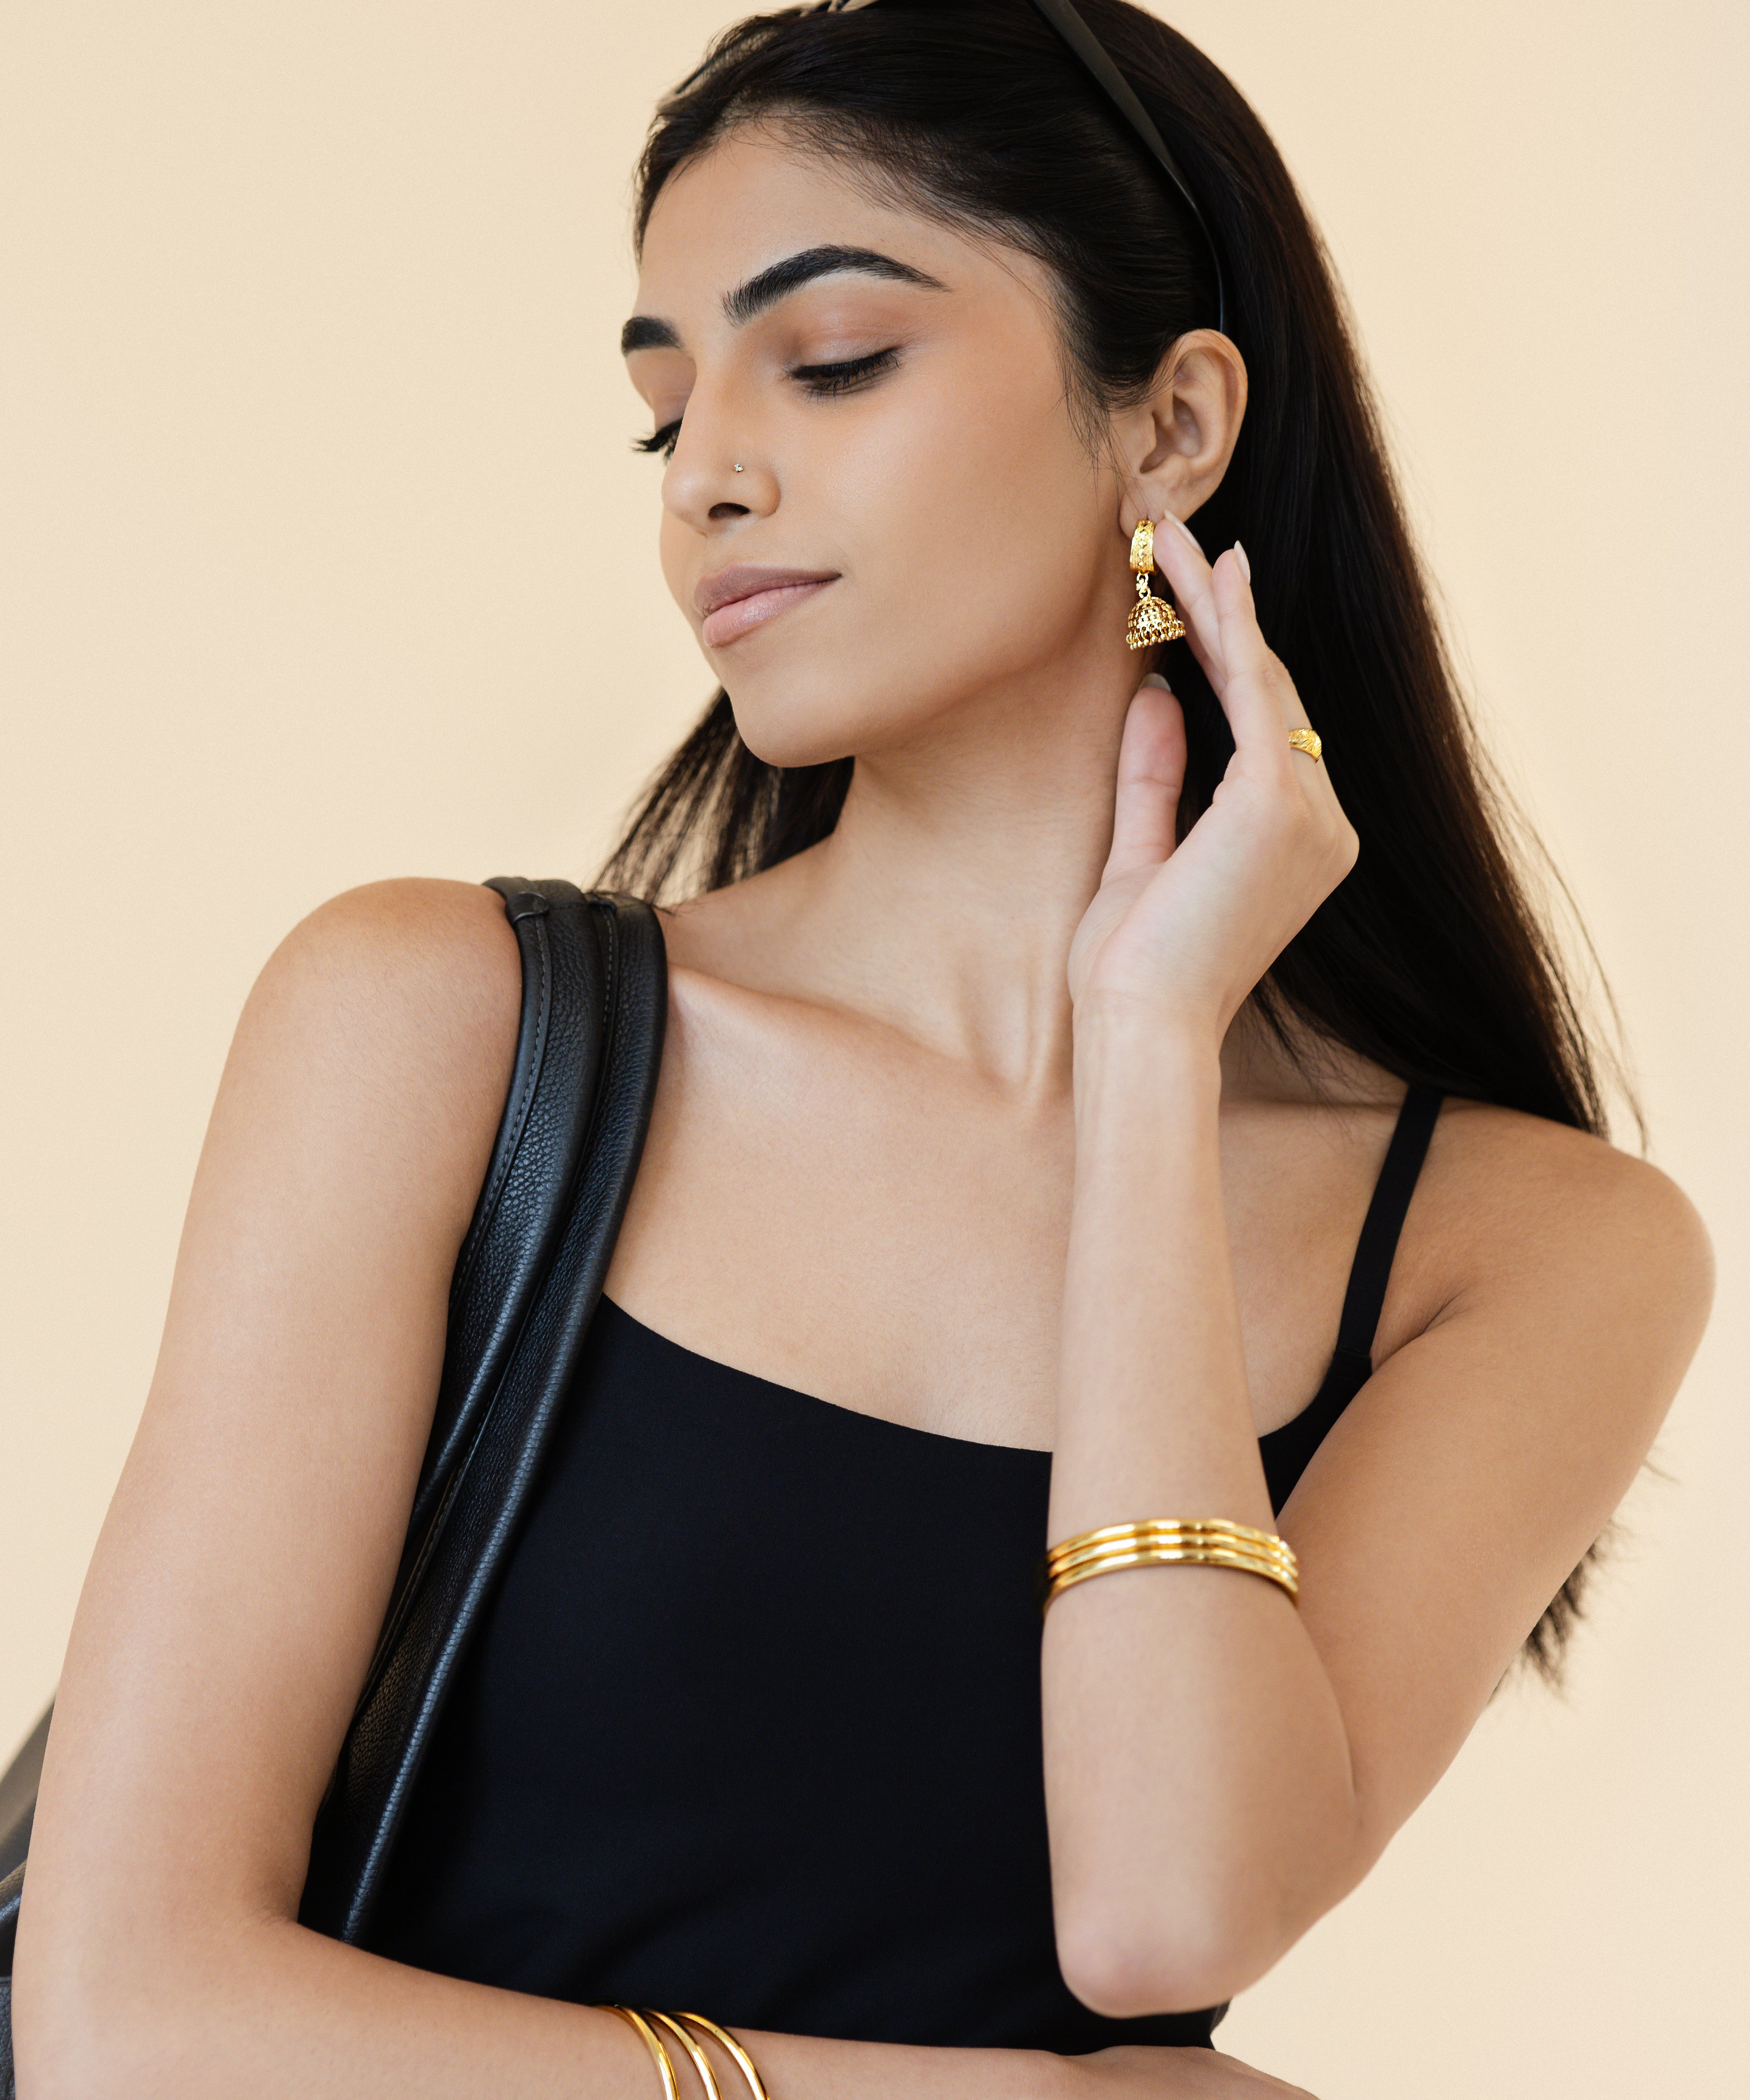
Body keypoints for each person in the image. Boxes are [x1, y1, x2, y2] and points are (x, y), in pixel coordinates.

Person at [12, 3, 1712, 2095]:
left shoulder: (1527, 1248)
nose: (710, 474)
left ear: (1171, 426)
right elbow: (125, 2024)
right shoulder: (436, 1027)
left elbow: (1166, 1908)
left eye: (829, 361)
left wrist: (1151, 1045)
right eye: (664, 418)